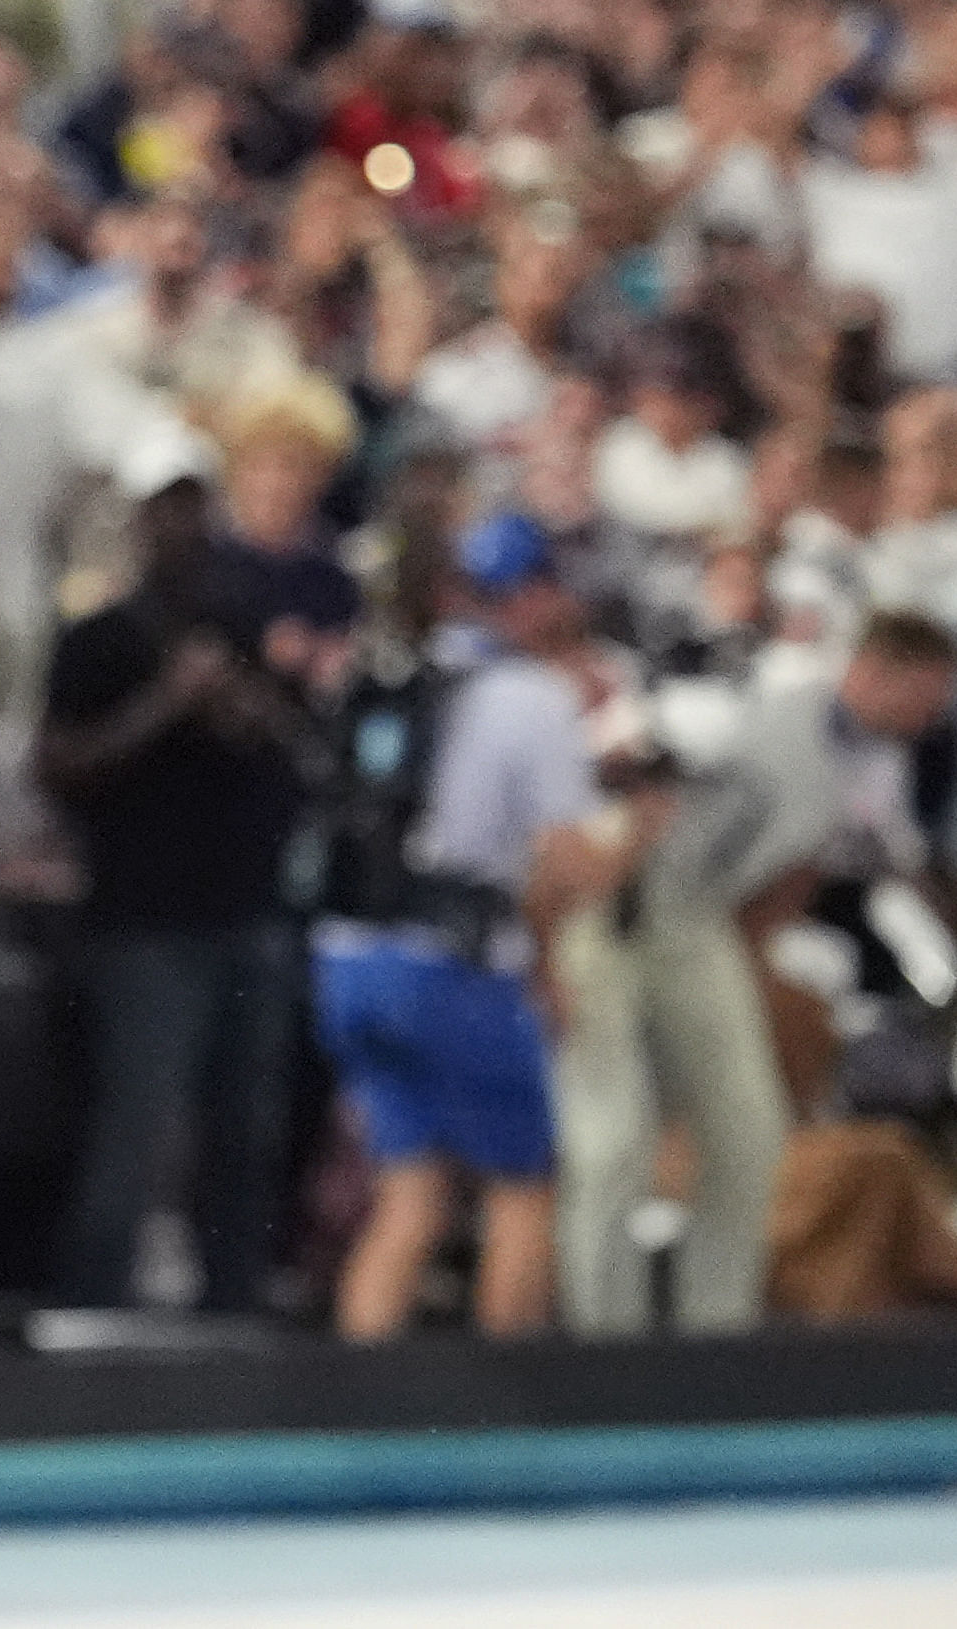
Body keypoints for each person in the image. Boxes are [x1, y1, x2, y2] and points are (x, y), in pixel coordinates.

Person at [549, 610, 957, 1335]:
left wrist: (751, 978)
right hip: (618, 907)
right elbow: (625, 777)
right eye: (924, 692)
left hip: (701, 919)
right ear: (874, 668)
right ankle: (601, 1339)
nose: (931, 713)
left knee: (750, 1131)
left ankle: (718, 1329)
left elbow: (790, 875)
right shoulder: (758, 707)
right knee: (612, 1139)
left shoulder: (874, 757)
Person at [37, 468, 310, 1316]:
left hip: (244, 912)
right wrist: (165, 703)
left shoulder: (241, 628)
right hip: (144, 920)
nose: (186, 532)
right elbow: (60, 764)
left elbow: (293, 752)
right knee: (137, 1124)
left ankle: (234, 1300)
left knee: (246, 1129)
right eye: (168, 512)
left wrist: (241, 701)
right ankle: (94, 1300)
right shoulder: (100, 640)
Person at [313, 528, 591, 1342]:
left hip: (350, 961)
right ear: (535, 593)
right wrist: (647, 825)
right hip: (452, 970)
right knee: (522, 1186)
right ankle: (512, 1427)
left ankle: (360, 1403)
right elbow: (565, 863)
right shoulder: (531, 694)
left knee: (411, 1195)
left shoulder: (382, 677)